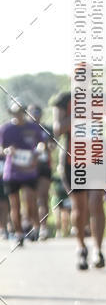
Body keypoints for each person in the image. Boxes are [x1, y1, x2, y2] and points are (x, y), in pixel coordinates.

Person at [52, 85, 106, 270]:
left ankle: (98, 250)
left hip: (97, 158)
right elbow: (58, 129)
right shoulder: (64, 99)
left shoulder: (101, 97)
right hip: (74, 160)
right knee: (80, 208)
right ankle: (81, 248)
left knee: (96, 203)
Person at [0, 101, 44, 246]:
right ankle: (18, 234)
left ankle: (31, 225)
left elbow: (41, 143)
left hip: (29, 171)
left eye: (20, 111)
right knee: (15, 205)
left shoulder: (33, 127)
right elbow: (1, 148)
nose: (18, 114)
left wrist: (37, 154)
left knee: (30, 201)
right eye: (15, 112)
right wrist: (7, 151)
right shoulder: (5, 129)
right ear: (11, 113)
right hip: (12, 172)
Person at [28, 104, 53, 241]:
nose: (35, 115)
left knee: (42, 198)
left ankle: (43, 228)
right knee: (30, 199)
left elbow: (53, 145)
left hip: (44, 166)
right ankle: (34, 226)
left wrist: (49, 147)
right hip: (27, 168)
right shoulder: (24, 129)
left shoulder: (47, 129)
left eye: (38, 112)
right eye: (32, 113)